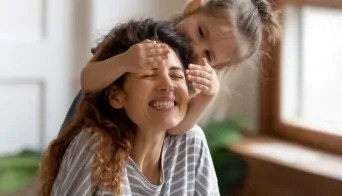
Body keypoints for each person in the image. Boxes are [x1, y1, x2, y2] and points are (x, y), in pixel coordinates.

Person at [40, 19, 219, 196]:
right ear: (117, 97)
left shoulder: (192, 143)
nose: (167, 85)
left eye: (176, 75)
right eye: (149, 74)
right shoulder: (95, 148)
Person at [60, 0, 279, 135]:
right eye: (201, 32)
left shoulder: (185, 81)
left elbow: (175, 129)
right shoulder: (136, 35)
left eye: (208, 54)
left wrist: (205, 97)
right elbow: (88, 80)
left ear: (215, 66)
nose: (195, 47)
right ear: (193, 7)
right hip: (85, 130)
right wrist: (125, 61)